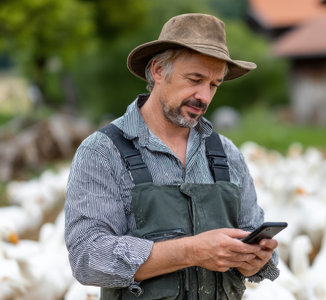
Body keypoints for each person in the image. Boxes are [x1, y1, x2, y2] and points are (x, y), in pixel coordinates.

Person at [64, 13, 280, 299]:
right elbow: (88, 258)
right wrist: (192, 251)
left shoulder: (227, 154)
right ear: (157, 71)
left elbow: (259, 249)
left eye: (214, 84)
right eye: (195, 79)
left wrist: (256, 259)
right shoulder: (102, 152)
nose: (204, 96)